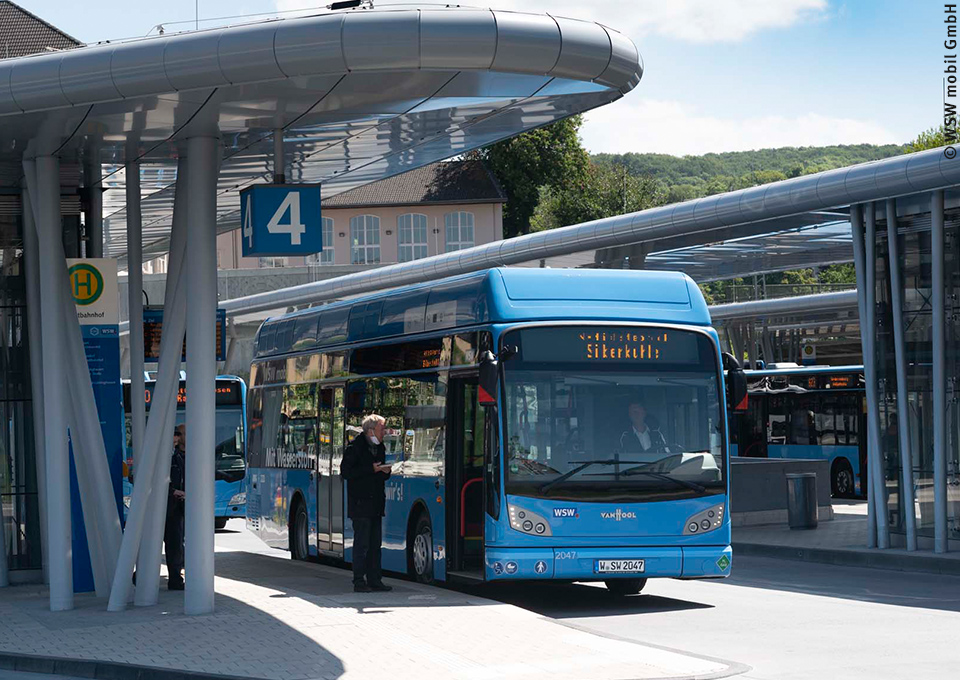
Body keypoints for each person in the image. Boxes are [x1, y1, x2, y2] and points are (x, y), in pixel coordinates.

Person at [340, 414, 393, 593]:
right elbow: (346, 472)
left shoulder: (380, 447)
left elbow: (382, 473)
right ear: (371, 430)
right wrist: (371, 469)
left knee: (375, 545)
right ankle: (359, 581)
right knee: (362, 544)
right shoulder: (355, 447)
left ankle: (375, 580)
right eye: (381, 429)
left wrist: (385, 471)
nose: (384, 432)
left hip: (376, 504)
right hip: (360, 504)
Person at [165, 424, 187, 591]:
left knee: (175, 545)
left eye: (179, 436)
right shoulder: (164, 457)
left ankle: (175, 580)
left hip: (174, 509)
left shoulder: (178, 458)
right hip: (163, 508)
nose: (177, 439)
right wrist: (173, 491)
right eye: (176, 435)